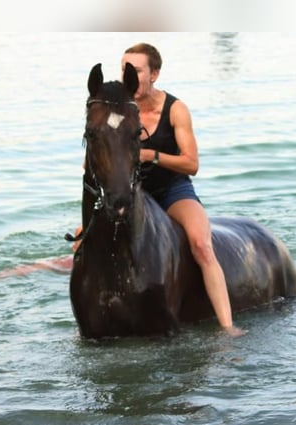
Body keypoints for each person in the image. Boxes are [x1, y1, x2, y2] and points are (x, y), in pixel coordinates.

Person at [121, 43, 244, 336]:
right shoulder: (119, 108)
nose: (128, 75)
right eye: (124, 69)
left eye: (135, 70)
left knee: (202, 245)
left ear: (154, 74)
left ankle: (228, 327)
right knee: (81, 241)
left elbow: (191, 164)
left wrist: (152, 155)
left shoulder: (176, 109)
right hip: (134, 194)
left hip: (171, 190)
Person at [0, 227, 81, 289]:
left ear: (74, 247)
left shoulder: (68, 263)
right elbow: (26, 269)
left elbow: (28, 268)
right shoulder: (67, 263)